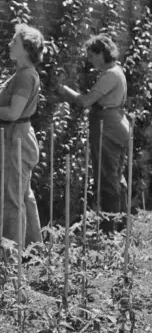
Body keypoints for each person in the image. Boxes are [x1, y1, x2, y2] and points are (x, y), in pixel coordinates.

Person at [54, 34, 129, 232]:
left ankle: (109, 230)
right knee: (115, 176)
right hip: (115, 125)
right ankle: (120, 226)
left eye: (92, 56)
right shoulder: (115, 72)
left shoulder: (111, 74)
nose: (90, 60)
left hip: (108, 129)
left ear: (102, 53)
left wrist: (63, 90)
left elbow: (86, 101)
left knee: (106, 179)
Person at [0, 24, 45, 250]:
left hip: (14, 138)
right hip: (17, 136)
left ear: (26, 48)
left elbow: (13, 113)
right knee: (23, 196)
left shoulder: (25, 76)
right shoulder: (24, 74)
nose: (9, 44)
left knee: (11, 200)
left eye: (14, 42)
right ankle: (35, 251)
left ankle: (11, 260)